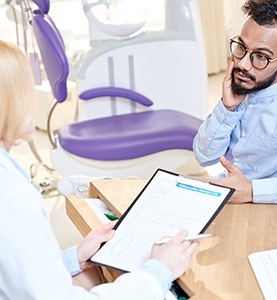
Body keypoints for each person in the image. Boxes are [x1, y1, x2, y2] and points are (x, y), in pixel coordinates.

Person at [0, 40, 199, 299]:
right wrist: (159, 271)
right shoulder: (13, 197)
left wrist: (73, 257)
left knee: (92, 274)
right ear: (10, 102)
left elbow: (19, 272)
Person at [193, 0, 277, 205]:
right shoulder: (245, 90)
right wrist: (227, 108)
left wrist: (253, 191)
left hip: (267, 213)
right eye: (241, 47)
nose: (242, 64)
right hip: (229, 199)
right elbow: (204, 156)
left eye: (261, 56)